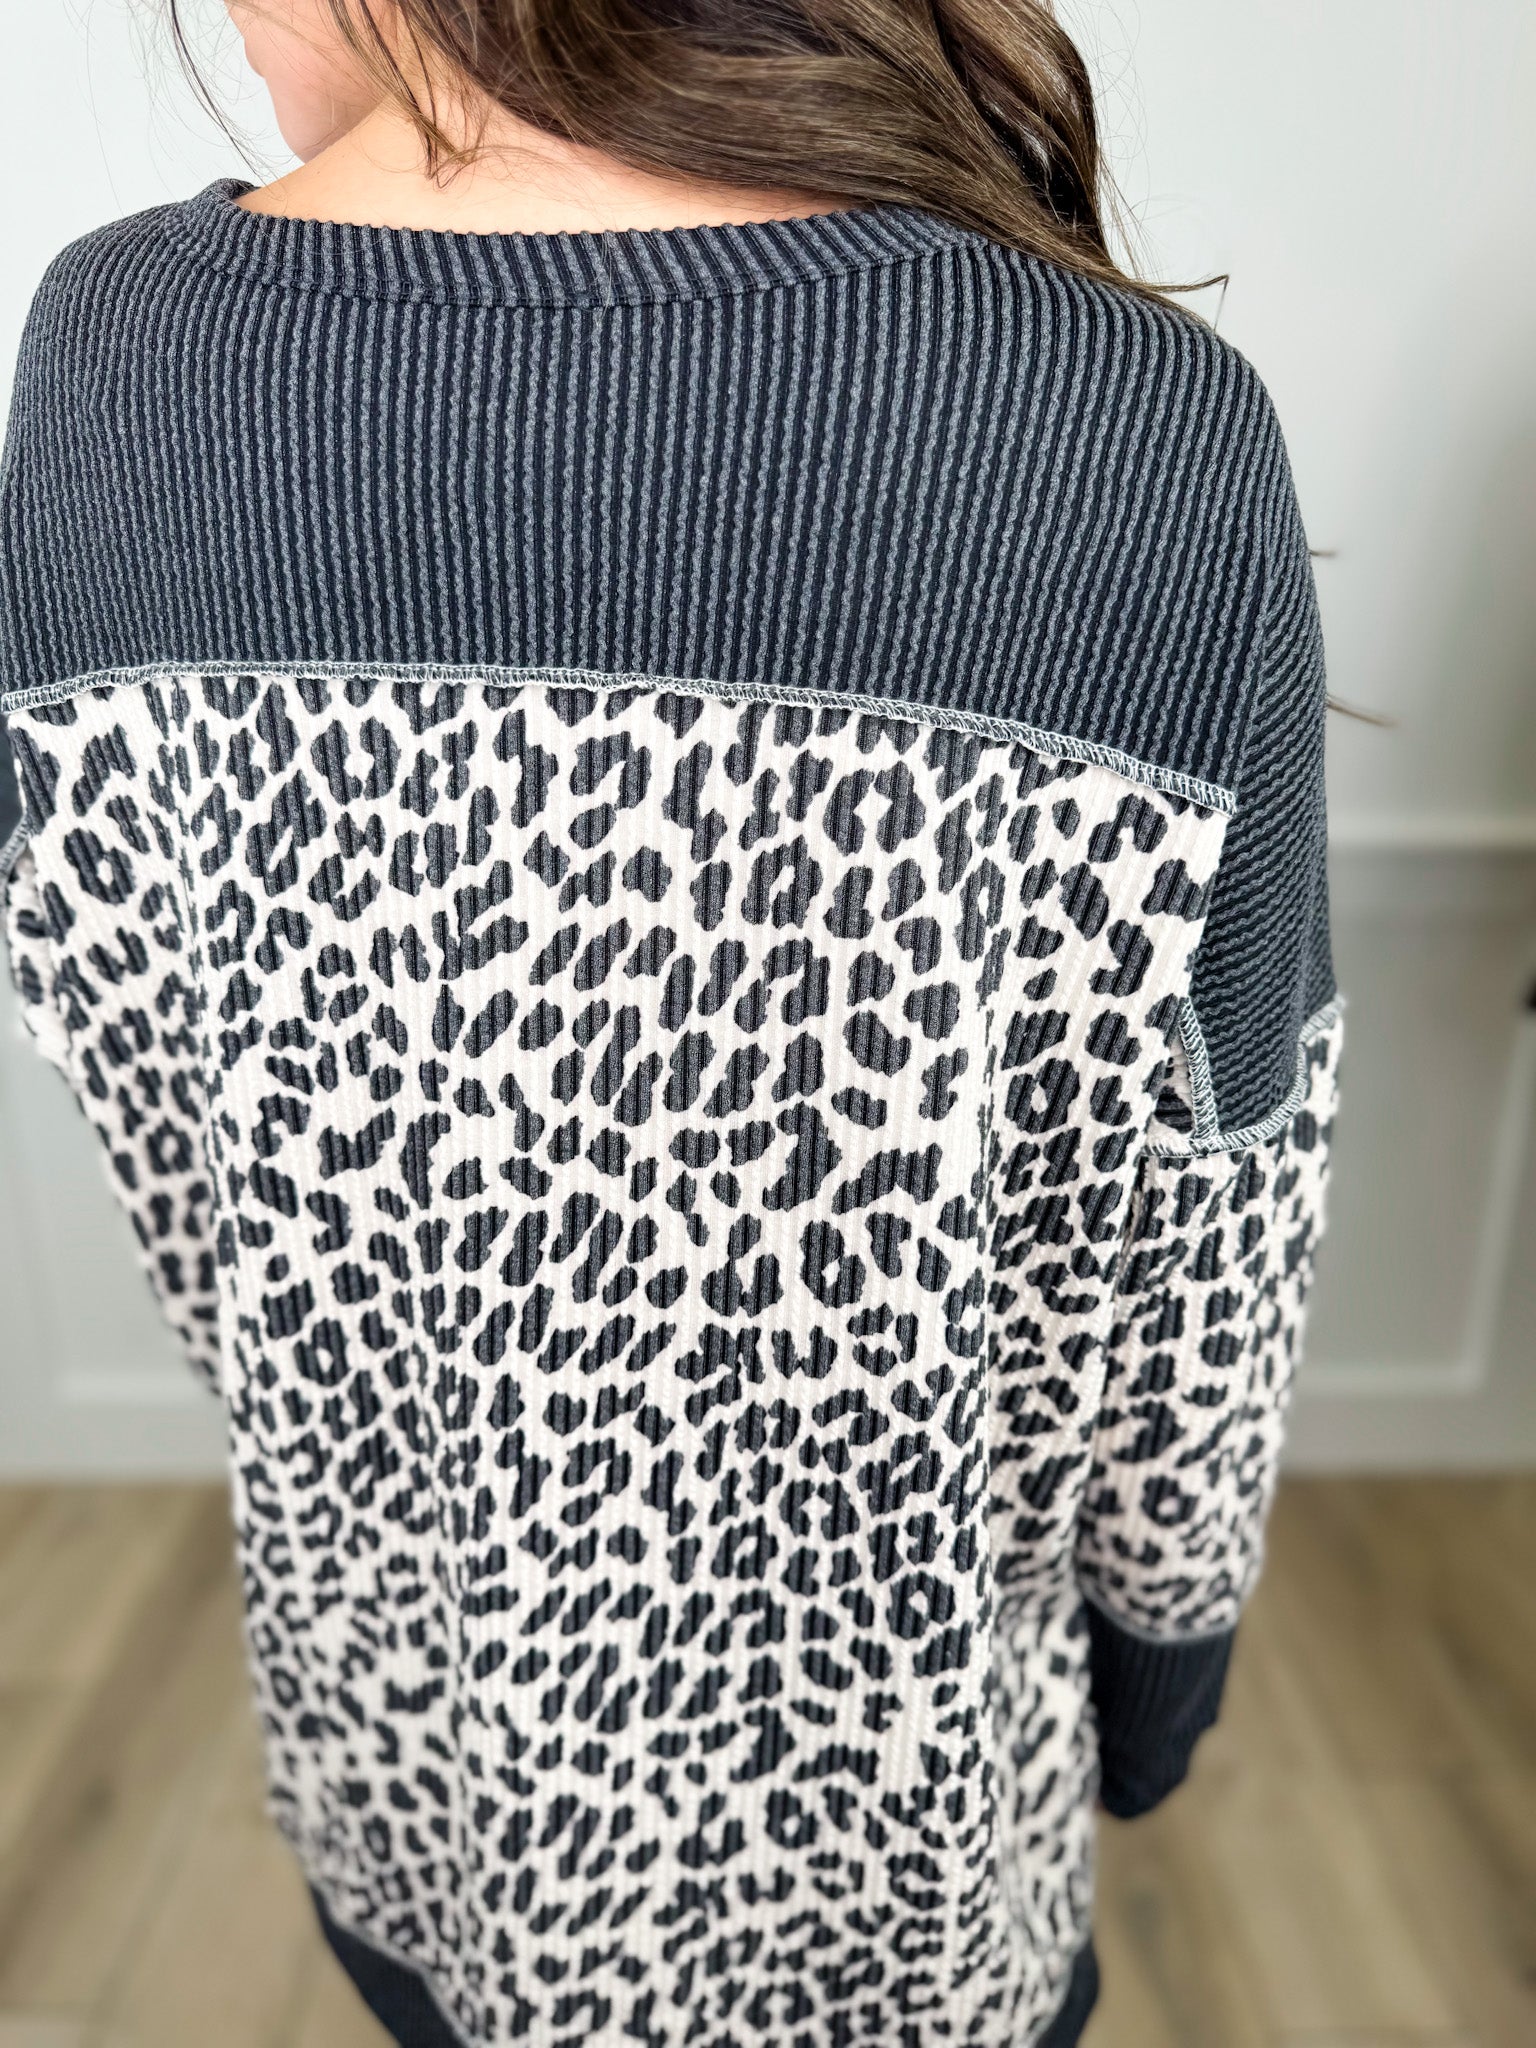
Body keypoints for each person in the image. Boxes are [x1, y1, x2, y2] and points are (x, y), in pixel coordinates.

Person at [0, 5, 1340, 2044]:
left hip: (425, 1784)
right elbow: (1212, 1229)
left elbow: (165, 1122)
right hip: (917, 1862)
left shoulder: (113, 371)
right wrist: (1164, 1670)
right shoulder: (1135, 423)